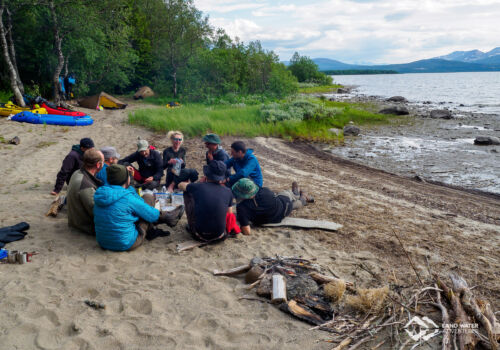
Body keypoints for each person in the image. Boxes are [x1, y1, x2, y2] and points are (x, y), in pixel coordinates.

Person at [94, 164, 184, 251]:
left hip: (103, 242)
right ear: (125, 179)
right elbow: (149, 214)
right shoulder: (127, 197)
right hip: (126, 243)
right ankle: (167, 217)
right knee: (147, 200)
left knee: (136, 208)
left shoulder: (100, 193)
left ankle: (167, 217)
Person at [231, 179, 314, 235]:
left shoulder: (242, 208)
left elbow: (247, 232)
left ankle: (300, 194)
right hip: (283, 205)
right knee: (287, 195)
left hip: (279, 217)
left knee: (293, 201)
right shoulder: (264, 191)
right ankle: (299, 193)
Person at [178, 161, 234, 242]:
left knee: (187, 192)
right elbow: (230, 214)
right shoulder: (228, 191)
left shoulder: (198, 187)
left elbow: (180, 185)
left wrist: (199, 183)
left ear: (207, 174)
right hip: (220, 235)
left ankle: (191, 225)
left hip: (200, 235)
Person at [66, 148, 104, 235]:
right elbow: (96, 212)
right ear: (98, 164)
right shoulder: (86, 186)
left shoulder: (77, 172)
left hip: (74, 220)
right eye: (103, 162)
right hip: (84, 226)